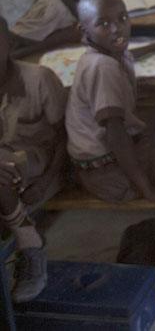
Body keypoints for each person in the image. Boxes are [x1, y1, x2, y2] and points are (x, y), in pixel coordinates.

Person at [64, 0, 155, 203]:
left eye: (122, 18)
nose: (117, 28)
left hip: (111, 156)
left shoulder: (107, 50)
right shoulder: (102, 67)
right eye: (104, 23)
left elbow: (128, 55)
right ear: (84, 30)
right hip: (109, 172)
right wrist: (150, 191)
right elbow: (116, 137)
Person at [0, 15, 68, 302]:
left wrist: (50, 181)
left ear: (9, 43)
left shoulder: (38, 79)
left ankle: (31, 247)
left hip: (41, 164)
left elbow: (65, 137)